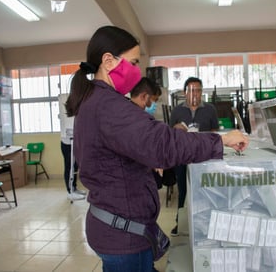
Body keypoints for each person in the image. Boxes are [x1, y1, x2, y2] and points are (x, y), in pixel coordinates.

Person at [65, 25, 249, 272]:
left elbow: (111, 154)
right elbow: (163, 144)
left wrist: (143, 160)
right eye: (132, 63)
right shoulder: (109, 105)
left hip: (110, 222)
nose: (136, 71)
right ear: (108, 61)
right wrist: (221, 140)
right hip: (124, 234)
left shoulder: (94, 101)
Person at [168, 77, 219, 236]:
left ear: (202, 92)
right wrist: (176, 129)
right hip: (183, 157)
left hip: (203, 158)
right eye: (191, 90)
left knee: (204, 192)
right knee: (183, 191)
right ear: (185, 93)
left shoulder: (210, 109)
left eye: (198, 90)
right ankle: (180, 223)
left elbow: (215, 132)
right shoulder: (177, 110)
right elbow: (169, 135)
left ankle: (204, 224)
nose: (195, 93)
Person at [58, 94, 86, 201]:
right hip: (67, 143)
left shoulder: (77, 112)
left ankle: (74, 187)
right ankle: (69, 191)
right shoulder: (66, 114)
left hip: (75, 142)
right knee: (69, 167)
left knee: (75, 166)